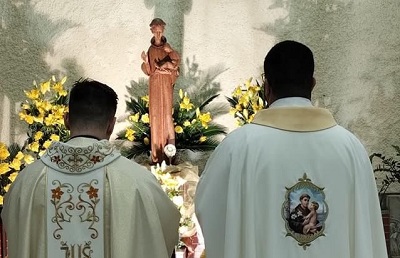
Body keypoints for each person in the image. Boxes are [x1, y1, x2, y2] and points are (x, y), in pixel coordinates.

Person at [195, 40, 387, 258]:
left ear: (266, 87)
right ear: (313, 84)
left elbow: (208, 210)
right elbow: (368, 230)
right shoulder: (351, 149)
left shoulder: (236, 148)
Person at [1, 79, 180, 258]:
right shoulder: (139, 182)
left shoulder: (28, 181)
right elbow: (165, 230)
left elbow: (13, 227)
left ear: (66, 120)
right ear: (111, 124)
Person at [141, 18, 180, 164]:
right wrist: (145, 61)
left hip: (165, 84)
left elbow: (176, 64)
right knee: (156, 116)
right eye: (155, 31)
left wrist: (171, 57)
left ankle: (169, 154)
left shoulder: (168, 48)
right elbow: (150, 71)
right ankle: (156, 154)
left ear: (163, 31)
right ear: (151, 31)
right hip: (155, 85)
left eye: (160, 31)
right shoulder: (151, 50)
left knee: (166, 115)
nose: (158, 34)